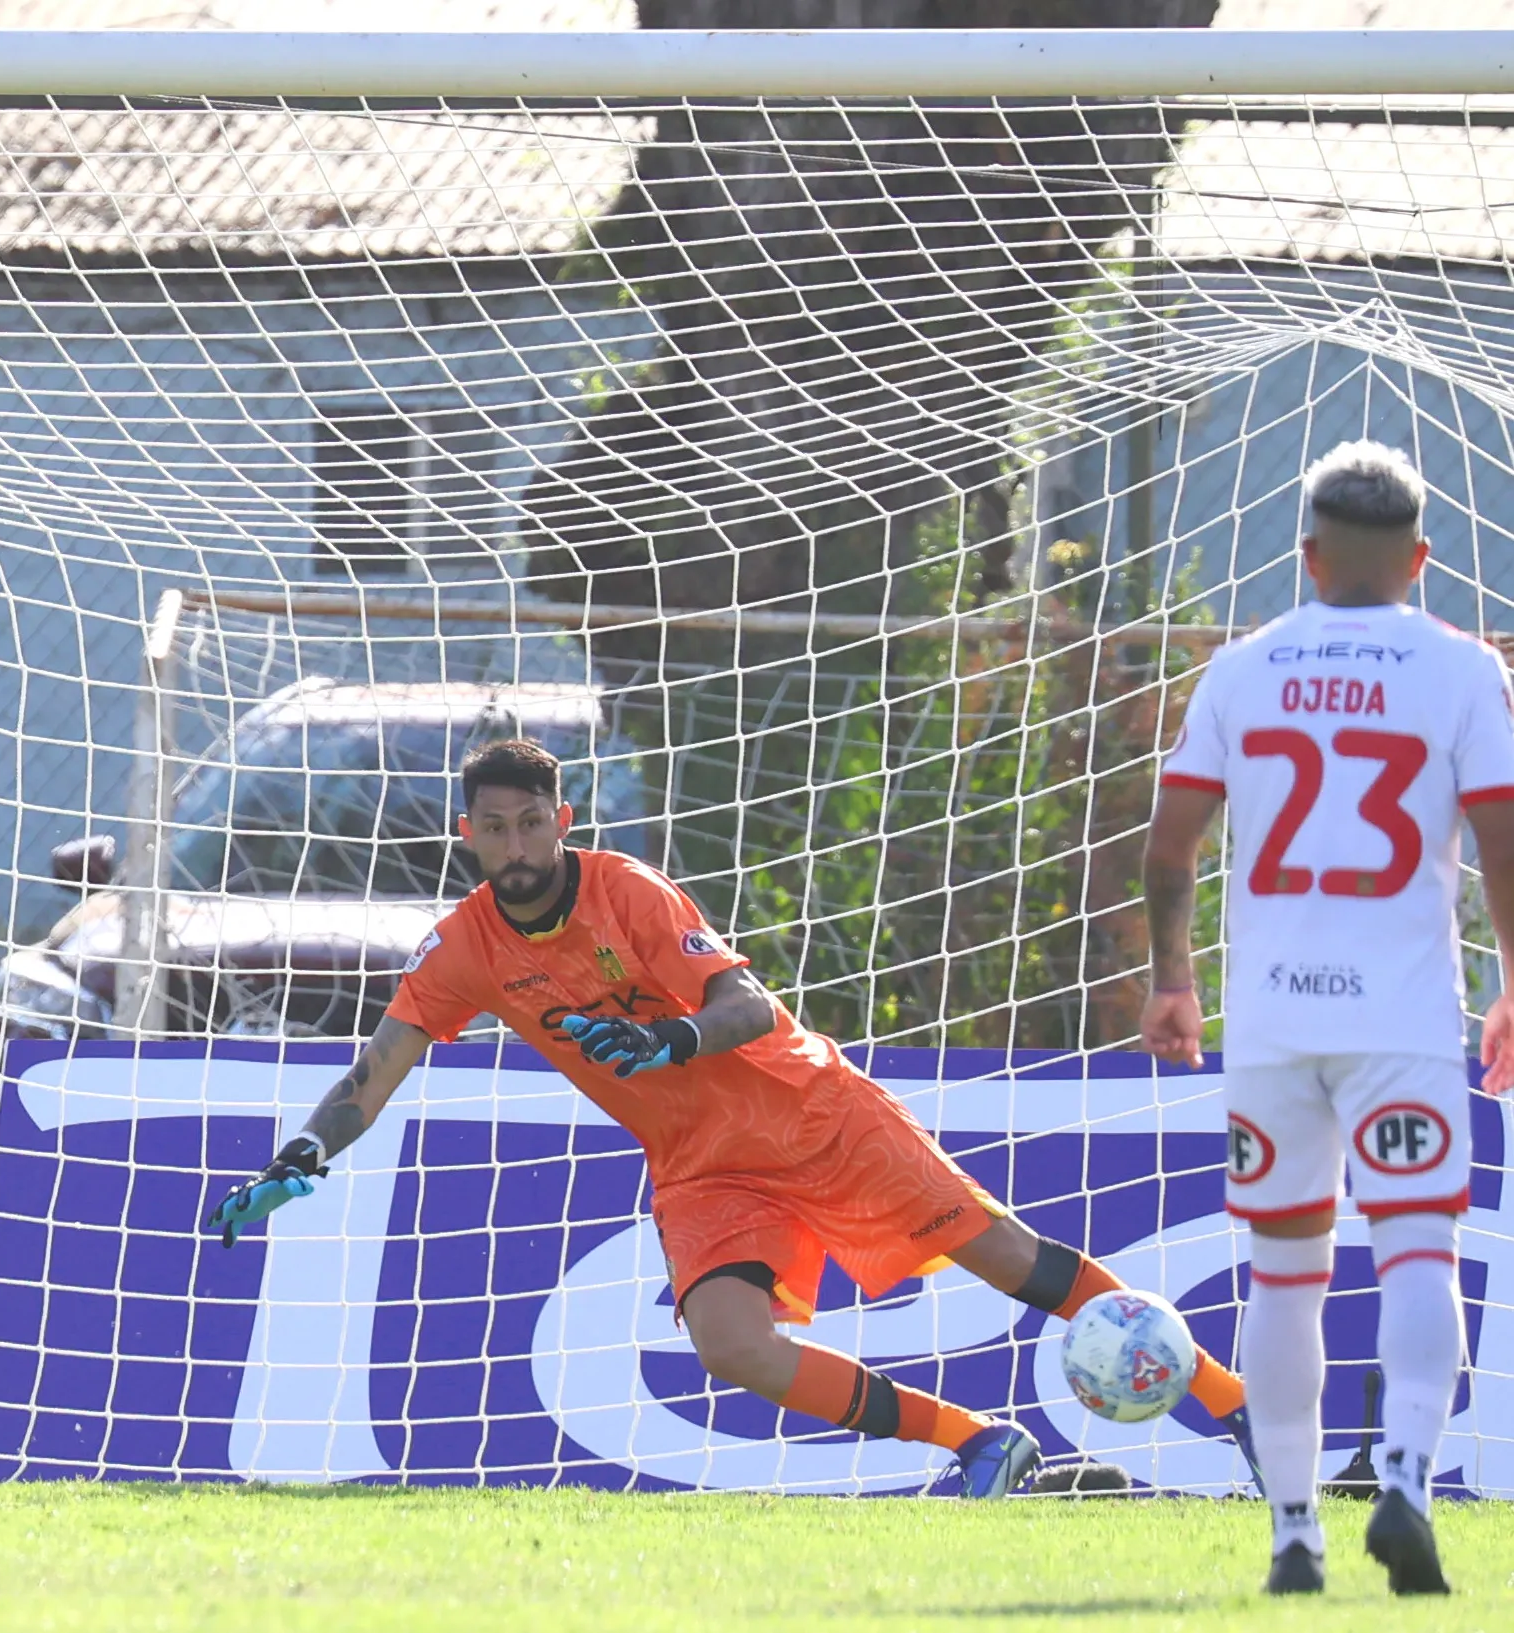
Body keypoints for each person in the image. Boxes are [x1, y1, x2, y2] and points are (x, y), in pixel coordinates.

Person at [207, 736, 1255, 1498]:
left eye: (532, 822)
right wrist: (305, 1149)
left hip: (811, 1113)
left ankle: (1237, 1402)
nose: (515, 843)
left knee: (1012, 1262)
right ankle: (979, 1442)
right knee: (731, 1346)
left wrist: (670, 1041)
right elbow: (379, 1064)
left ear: (562, 822)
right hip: (706, 1168)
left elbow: (748, 1004)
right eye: (494, 827)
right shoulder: (467, 945)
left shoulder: (632, 893)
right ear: (467, 834)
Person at [1143, 440, 1514, 1596]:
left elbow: (1170, 846)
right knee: (1418, 1248)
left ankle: (1295, 1533)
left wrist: (1172, 980)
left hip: (1271, 1023)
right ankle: (1403, 1480)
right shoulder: (1463, 668)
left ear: (1305, 553)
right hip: (1400, 1015)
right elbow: (1503, 839)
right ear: (1420, 555)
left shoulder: (1242, 668)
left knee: (1284, 1274)